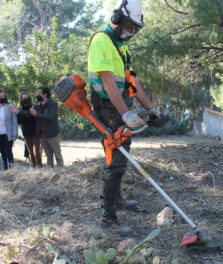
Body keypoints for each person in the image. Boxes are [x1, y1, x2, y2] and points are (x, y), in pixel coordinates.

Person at [88, 0, 162, 236]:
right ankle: (108, 219)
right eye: (130, 26)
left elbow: (132, 81)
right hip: (110, 110)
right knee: (116, 163)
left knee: (122, 156)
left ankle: (117, 198)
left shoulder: (122, 47)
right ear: (118, 19)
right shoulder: (102, 40)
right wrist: (125, 113)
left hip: (120, 108)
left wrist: (151, 108)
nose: (131, 31)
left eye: (135, 28)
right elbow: (108, 81)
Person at [29, 87, 63, 168]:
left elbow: (50, 116)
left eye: (40, 93)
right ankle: (50, 171)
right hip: (42, 133)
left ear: (45, 94)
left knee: (57, 153)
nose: (38, 95)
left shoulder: (53, 103)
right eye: (37, 93)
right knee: (48, 154)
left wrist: (36, 114)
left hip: (52, 132)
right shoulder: (37, 104)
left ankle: (61, 171)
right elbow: (31, 114)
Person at [8, 92, 42, 167]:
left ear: (29, 98)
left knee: (37, 152)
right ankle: (34, 166)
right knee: (31, 152)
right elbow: (19, 121)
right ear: (21, 100)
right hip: (26, 133)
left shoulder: (34, 107)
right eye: (23, 98)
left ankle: (40, 167)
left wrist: (19, 112)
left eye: (26, 98)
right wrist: (15, 113)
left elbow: (30, 115)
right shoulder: (20, 110)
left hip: (35, 133)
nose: (25, 99)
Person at [0, 90, 18, 170]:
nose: (2, 97)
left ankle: (12, 167)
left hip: (8, 134)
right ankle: (5, 167)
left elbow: (14, 121)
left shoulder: (10, 106)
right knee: (2, 152)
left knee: (8, 151)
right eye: (0, 96)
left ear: (5, 97)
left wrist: (15, 134)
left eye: (3, 96)